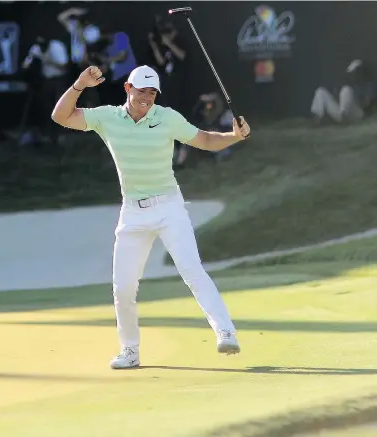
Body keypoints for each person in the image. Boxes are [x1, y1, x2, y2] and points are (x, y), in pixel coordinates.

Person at [51, 65, 251, 369]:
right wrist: (80, 84)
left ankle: (225, 332)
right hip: (132, 212)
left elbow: (206, 141)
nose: (147, 98)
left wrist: (234, 137)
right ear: (128, 89)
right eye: (142, 91)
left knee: (192, 271)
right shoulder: (107, 117)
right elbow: (61, 116)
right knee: (123, 287)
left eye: (152, 92)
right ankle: (130, 351)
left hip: (169, 207)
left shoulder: (167, 117)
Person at [20, 36, 69, 146]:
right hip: (46, 80)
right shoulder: (36, 48)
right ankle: (48, 134)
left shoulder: (57, 47)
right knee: (47, 107)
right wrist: (26, 66)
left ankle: (60, 135)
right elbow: (29, 59)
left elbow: (64, 66)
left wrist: (49, 61)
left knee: (59, 107)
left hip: (58, 79)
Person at [310, 59, 376, 124]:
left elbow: (367, 105)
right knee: (321, 91)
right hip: (343, 115)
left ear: (361, 72)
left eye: (355, 72)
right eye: (352, 73)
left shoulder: (368, 85)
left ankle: (342, 116)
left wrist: (357, 100)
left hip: (358, 115)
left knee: (346, 90)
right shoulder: (352, 85)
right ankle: (318, 118)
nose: (353, 75)